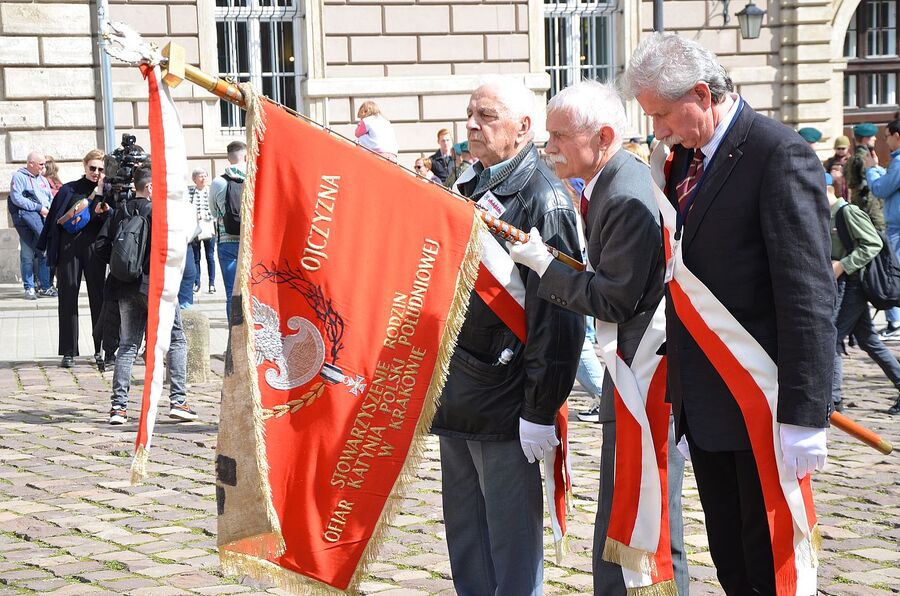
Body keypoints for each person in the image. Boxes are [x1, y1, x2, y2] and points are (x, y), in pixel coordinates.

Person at [623, 33, 835, 593]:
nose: (658, 130)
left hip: (764, 402)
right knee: (732, 560)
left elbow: (807, 293)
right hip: (708, 403)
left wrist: (807, 410)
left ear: (701, 93)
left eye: (664, 115)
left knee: (770, 564)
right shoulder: (685, 160)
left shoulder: (777, 153)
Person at [509, 80, 688, 595]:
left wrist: (547, 267)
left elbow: (615, 298)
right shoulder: (609, 181)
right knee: (623, 521)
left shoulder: (624, 192)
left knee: (648, 527)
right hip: (629, 374)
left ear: (604, 136)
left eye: (560, 137)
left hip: (647, 380)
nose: (550, 149)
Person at [430, 77, 584, 595]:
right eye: (470, 113)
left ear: (523, 127)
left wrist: (540, 409)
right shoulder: (471, 183)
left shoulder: (544, 197)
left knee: (512, 551)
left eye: (487, 115)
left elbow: (559, 318)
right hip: (458, 389)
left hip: (505, 397)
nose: (473, 124)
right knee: (468, 543)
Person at [94, 167, 198, 425]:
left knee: (128, 345)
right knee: (176, 340)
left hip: (124, 287)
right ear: (150, 187)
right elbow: (173, 249)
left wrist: (124, 267)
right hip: (156, 287)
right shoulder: (158, 213)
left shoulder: (120, 211)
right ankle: (178, 401)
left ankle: (118, 408)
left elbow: (100, 246)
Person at [826, 172, 900, 415]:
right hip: (846, 285)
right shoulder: (826, 215)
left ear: (827, 189)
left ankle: (834, 400)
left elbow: (872, 244)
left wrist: (843, 265)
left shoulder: (847, 212)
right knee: (869, 341)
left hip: (856, 285)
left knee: (833, 337)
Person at [37, 149, 112, 368]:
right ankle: (69, 351)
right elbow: (53, 219)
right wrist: (44, 248)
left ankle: (102, 349)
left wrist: (103, 208)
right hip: (69, 248)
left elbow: (112, 219)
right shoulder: (69, 189)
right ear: (85, 166)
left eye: (100, 169)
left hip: (94, 248)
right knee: (67, 297)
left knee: (99, 298)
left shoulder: (106, 191)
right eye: (93, 168)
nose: (96, 172)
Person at [865, 119, 900, 340]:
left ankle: (894, 322)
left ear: (897, 136)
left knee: (891, 274)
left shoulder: (899, 162)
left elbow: (880, 188)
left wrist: (871, 170)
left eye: (886, 136)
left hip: (897, 228)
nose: (885, 140)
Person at [8, 151, 54, 299]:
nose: (43, 167)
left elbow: (49, 198)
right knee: (27, 255)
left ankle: (45, 286)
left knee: (44, 254)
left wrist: (51, 212)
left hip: (44, 221)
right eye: (41, 164)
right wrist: (38, 207)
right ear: (31, 164)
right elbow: (17, 199)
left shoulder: (43, 180)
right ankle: (29, 287)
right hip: (28, 223)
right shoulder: (19, 177)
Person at [210, 140, 246, 323]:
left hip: (226, 241)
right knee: (252, 292)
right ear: (246, 156)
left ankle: (233, 343)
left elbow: (213, 212)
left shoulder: (217, 182)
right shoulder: (255, 177)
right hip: (250, 243)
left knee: (232, 292)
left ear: (228, 157)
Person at [845, 122, 884, 230]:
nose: (875, 138)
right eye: (872, 136)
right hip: (870, 209)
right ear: (865, 139)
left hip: (860, 206)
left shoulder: (853, 158)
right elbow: (866, 189)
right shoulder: (864, 159)